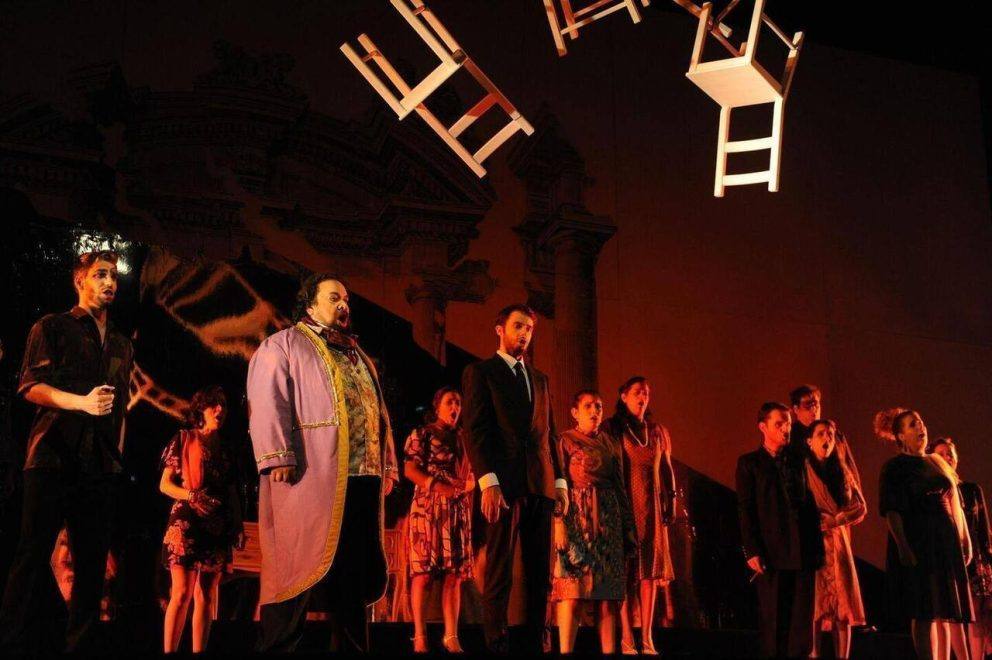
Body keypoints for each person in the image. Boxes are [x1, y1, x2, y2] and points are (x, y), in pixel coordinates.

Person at [247, 274, 399, 653]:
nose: (344, 305)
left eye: (346, 299)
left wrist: (387, 465)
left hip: (361, 480)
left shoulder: (357, 354)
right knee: (295, 567)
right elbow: (267, 400)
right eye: (334, 298)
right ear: (311, 305)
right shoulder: (283, 345)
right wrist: (278, 454)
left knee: (352, 575)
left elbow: (379, 413)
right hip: (311, 476)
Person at [0, 251, 133, 653]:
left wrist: (116, 458)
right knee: (32, 555)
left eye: (114, 276)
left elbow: (121, 408)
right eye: (100, 274)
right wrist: (81, 403)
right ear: (80, 281)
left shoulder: (122, 343)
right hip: (52, 458)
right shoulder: (53, 327)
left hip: (100, 466)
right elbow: (30, 386)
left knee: (92, 566)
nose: (109, 282)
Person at [461, 303, 568, 654]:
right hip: (503, 485)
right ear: (500, 329)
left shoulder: (540, 379)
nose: (524, 333)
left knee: (541, 574)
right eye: (518, 326)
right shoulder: (481, 372)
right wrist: (488, 482)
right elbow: (475, 431)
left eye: (529, 329)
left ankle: (538, 642)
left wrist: (560, 482)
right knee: (500, 570)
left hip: (540, 483)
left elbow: (550, 434)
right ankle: (496, 643)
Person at [880, 410, 973, 660]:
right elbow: (892, 510)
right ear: (901, 435)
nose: (921, 427)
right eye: (913, 424)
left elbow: (955, 504)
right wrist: (903, 546)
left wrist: (965, 540)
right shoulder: (895, 467)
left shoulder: (935, 462)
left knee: (943, 608)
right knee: (923, 610)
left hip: (944, 544)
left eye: (921, 422)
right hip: (920, 543)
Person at [159, 385, 245, 653]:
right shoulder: (184, 438)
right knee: (182, 592)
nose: (220, 409)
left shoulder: (226, 449)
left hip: (216, 526)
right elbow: (164, 485)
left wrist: (238, 525)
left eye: (223, 406)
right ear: (201, 410)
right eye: (213, 405)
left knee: (207, 596)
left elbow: (232, 491)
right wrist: (191, 495)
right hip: (186, 524)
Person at [551, 390, 636, 654]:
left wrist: (628, 529)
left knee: (607, 596)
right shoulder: (564, 440)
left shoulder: (611, 443)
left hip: (608, 521)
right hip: (576, 519)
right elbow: (558, 484)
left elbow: (620, 487)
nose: (595, 411)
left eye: (598, 406)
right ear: (575, 412)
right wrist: (559, 523)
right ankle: (565, 651)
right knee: (573, 591)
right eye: (588, 406)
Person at [736, 402, 823, 658]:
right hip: (771, 552)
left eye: (788, 423)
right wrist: (752, 550)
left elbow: (809, 504)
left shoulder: (798, 459)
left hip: (802, 551)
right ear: (763, 427)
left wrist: (817, 548)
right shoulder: (750, 463)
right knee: (774, 619)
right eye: (779, 424)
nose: (786, 428)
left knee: (801, 621)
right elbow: (746, 508)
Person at [605, 376, 675, 655]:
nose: (642, 397)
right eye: (637, 392)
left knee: (649, 572)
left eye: (646, 393)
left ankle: (646, 637)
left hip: (652, 507)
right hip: (625, 506)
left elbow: (666, 468)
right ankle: (626, 635)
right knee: (625, 573)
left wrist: (671, 500)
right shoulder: (613, 428)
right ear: (623, 396)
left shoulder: (657, 431)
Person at [403, 387, 474, 654]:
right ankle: (420, 636)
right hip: (428, 506)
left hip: (456, 508)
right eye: (449, 402)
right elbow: (410, 469)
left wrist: (467, 485)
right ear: (438, 407)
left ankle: (451, 636)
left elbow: (472, 471)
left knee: (454, 575)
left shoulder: (465, 438)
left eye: (458, 402)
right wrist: (437, 486)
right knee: (423, 573)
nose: (455, 407)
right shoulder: (422, 434)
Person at [804, 419, 865, 659]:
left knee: (843, 606)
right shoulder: (803, 470)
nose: (826, 438)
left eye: (830, 434)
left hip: (839, 545)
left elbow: (860, 506)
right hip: (814, 543)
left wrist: (837, 519)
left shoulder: (842, 471)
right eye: (820, 433)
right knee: (815, 606)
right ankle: (813, 654)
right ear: (809, 441)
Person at [931, 437, 990, 660]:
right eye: (941, 453)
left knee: (977, 616)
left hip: (975, 560)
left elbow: (984, 529)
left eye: (950, 453)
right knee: (951, 617)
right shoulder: (934, 491)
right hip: (947, 558)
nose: (947, 457)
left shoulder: (972, 490)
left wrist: (987, 560)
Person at [789, 384, 861, 487]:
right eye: (808, 406)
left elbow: (849, 467)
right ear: (796, 409)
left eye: (816, 404)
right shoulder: (790, 438)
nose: (814, 409)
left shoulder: (834, 433)